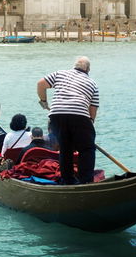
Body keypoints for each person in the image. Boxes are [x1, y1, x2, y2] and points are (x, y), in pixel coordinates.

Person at [37, 56, 99, 185]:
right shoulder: (92, 83)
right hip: (80, 116)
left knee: (65, 149)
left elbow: (40, 84)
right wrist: (90, 122)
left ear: (74, 66)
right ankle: (85, 181)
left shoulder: (59, 74)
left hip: (56, 115)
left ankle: (68, 180)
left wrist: (44, 102)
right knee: (87, 149)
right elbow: (93, 108)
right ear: (88, 69)